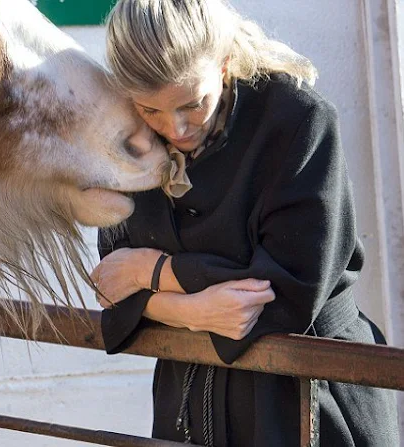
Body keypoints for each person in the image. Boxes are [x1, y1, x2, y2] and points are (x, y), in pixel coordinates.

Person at [90, 0, 399, 445]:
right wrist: (193, 310)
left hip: (306, 395)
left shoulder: (298, 122)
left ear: (224, 63)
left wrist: (152, 273)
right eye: (150, 111)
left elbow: (285, 289)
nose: (175, 129)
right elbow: (111, 282)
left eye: (193, 103)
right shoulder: (126, 134)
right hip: (188, 404)